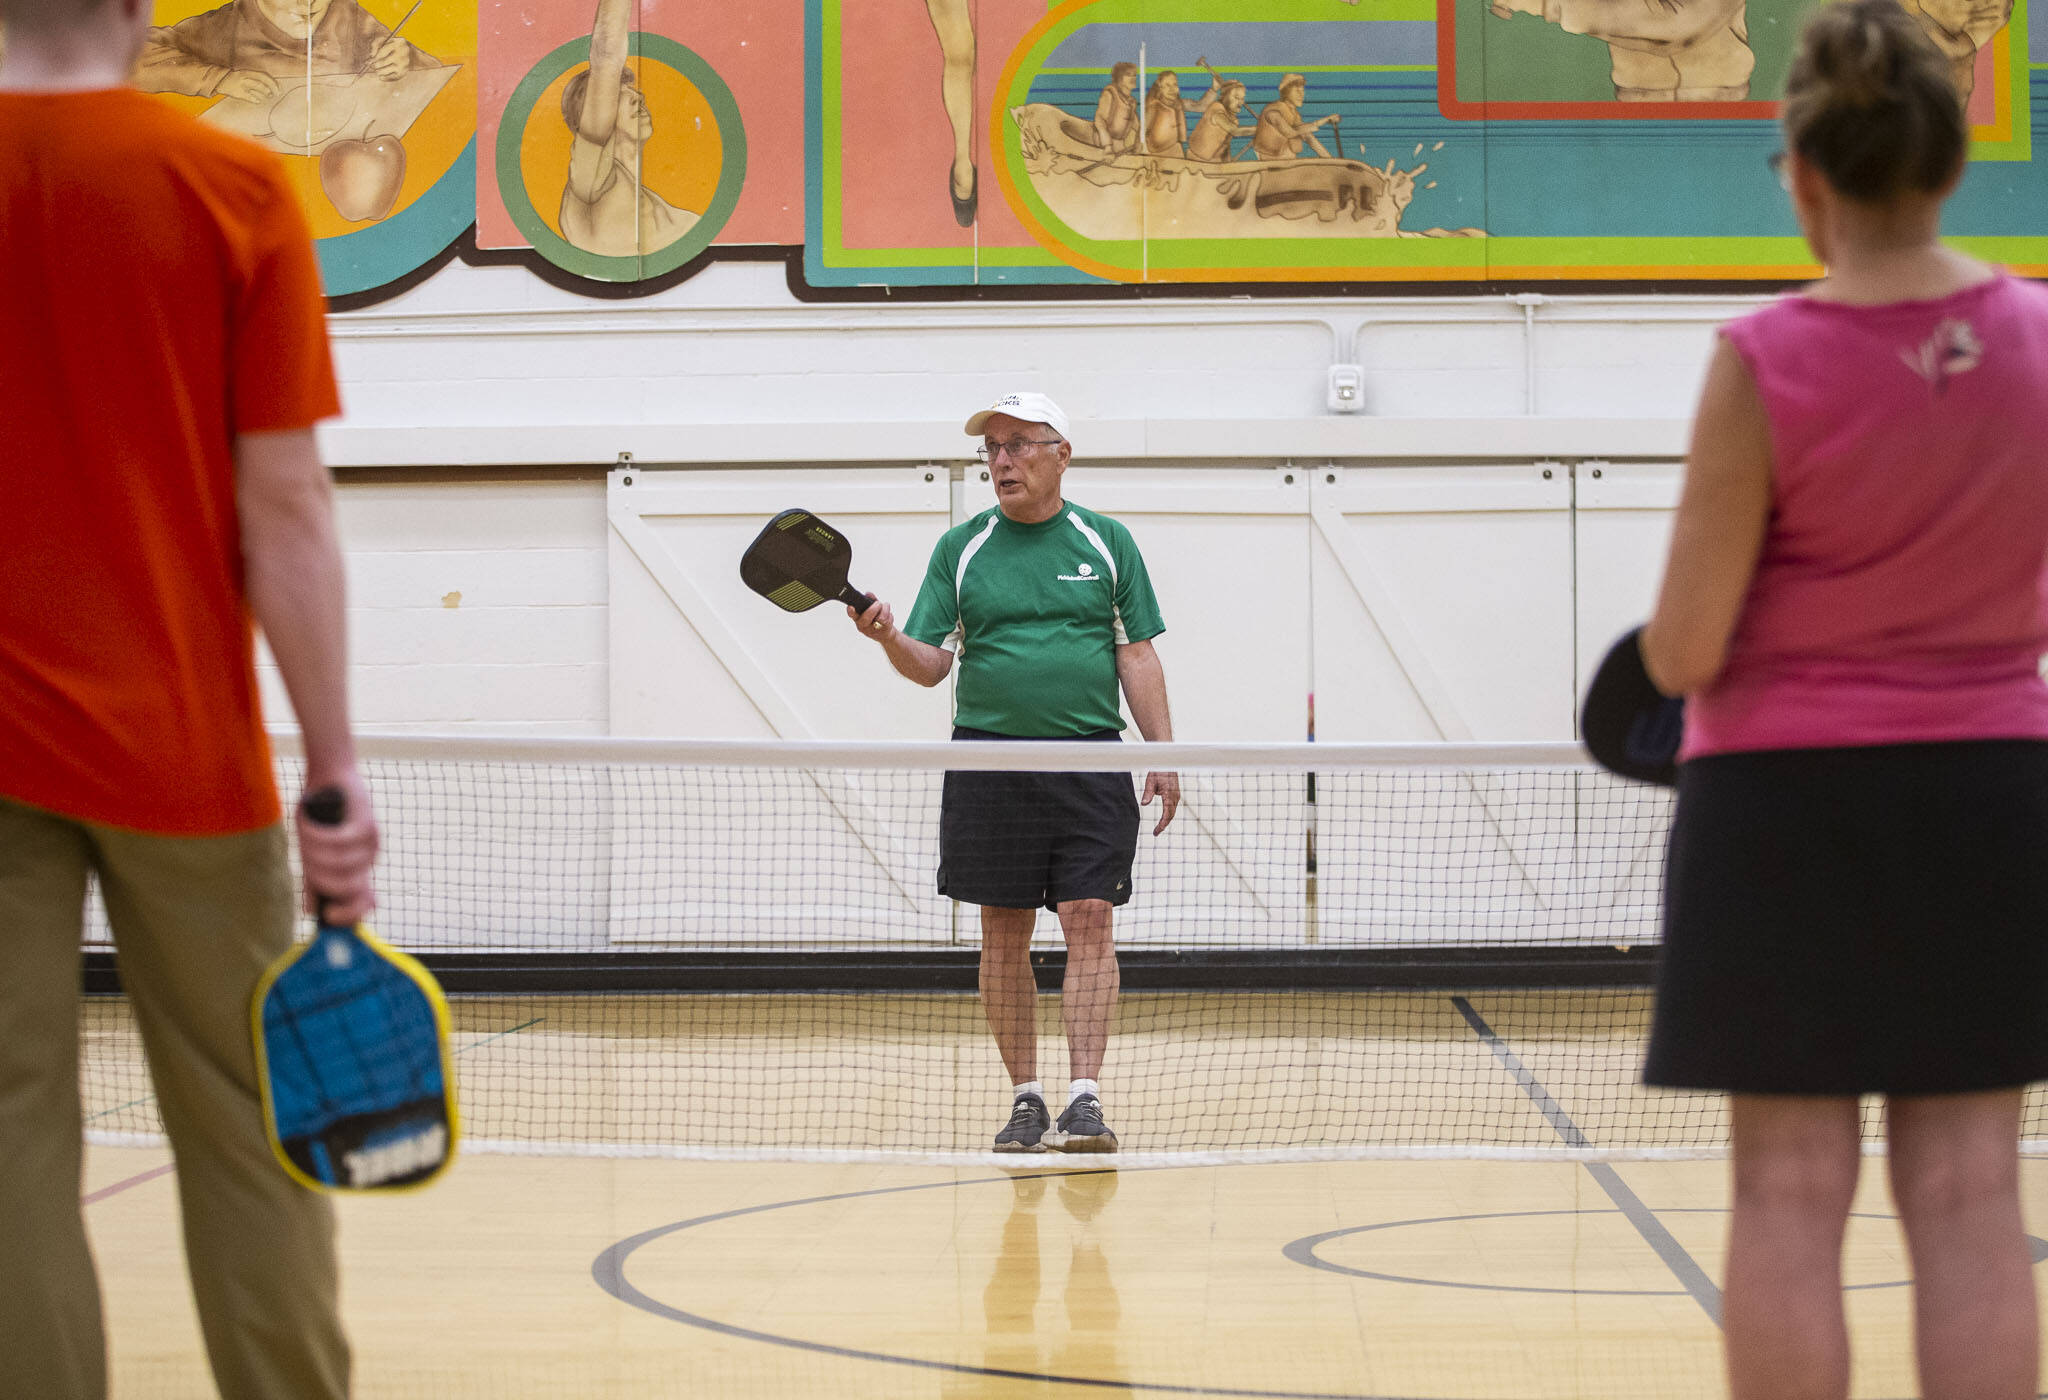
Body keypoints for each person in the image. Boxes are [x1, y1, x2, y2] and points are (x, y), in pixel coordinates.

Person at [1639, 3, 2048, 1396]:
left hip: (1784, 809)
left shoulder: (1764, 360)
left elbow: (1685, 649)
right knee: (1973, 1194)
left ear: (1804, 177)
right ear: (1948, 166)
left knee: (1792, 1193)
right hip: (1990, 798)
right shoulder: (2042, 343)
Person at [1, 0, 379, 1394]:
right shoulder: (230, 190)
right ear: (140, 9)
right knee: (249, 1123)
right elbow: (284, 508)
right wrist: (332, 768)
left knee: (8, 1136)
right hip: (180, 752)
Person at [849, 392, 1180, 1154]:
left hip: (1089, 760)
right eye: (992, 448)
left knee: (1089, 917)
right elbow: (932, 665)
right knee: (1002, 932)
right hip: (988, 762)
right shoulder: (961, 549)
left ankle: (1086, 1098)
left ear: (1062, 454)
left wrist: (1161, 751)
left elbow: (1136, 651)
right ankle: (1026, 1097)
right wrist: (888, 637)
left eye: (1021, 444)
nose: (1002, 460)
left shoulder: (1107, 542)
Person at [560, 0, 698, 258]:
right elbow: (606, 58)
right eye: (619, 94)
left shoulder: (664, 210)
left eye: (632, 89)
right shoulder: (589, 182)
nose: (638, 97)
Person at [135, 0, 438, 105]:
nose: (308, 4)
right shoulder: (228, 26)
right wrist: (218, 78)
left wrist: (405, 59)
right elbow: (131, 61)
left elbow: (441, 81)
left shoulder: (346, 14)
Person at [1252, 74, 1338, 159]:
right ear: (1286, 92)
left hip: (1285, 156)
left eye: (1302, 91)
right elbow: (1290, 133)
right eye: (1297, 91)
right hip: (1270, 157)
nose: (1301, 95)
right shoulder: (1273, 111)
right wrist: (1318, 123)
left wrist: (1328, 158)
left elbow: (1307, 136)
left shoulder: (1294, 113)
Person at [1187, 79, 1254, 162]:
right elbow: (1235, 131)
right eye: (1236, 97)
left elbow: (1225, 145)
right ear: (1224, 96)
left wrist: (1228, 165)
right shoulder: (1216, 110)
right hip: (1196, 160)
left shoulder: (1233, 118)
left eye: (1242, 98)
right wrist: (1259, 129)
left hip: (1215, 161)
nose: (1240, 102)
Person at [1091, 59, 1139, 153]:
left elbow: (1137, 125)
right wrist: (1108, 146)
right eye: (1128, 75)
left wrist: (1140, 141)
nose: (1133, 78)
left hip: (1119, 144)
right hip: (1103, 143)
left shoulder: (1131, 102)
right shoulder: (1110, 94)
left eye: (1134, 75)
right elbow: (1099, 120)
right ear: (1119, 78)